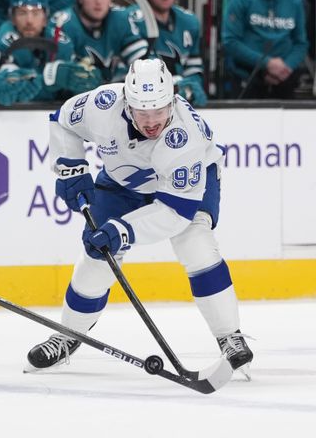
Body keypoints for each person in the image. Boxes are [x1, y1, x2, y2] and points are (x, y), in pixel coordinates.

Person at [25, 58, 253, 380]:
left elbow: (176, 212)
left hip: (190, 183)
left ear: (172, 102)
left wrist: (123, 230)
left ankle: (230, 336)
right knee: (97, 256)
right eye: (141, 111)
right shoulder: (103, 104)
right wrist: (71, 167)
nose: (151, 121)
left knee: (195, 244)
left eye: (159, 111)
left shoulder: (185, 137)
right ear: (126, 103)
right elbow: (63, 121)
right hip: (123, 180)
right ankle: (68, 334)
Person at [0, 0, 101, 101]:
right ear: (13, 18)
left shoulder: (62, 43)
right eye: (22, 13)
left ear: (45, 19)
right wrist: (51, 79)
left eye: (35, 13)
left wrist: (80, 80)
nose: (29, 21)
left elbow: (69, 92)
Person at [223, 0, 308, 99]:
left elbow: (301, 43)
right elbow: (230, 42)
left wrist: (286, 67)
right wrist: (267, 64)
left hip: (285, 79)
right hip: (247, 79)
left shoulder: (294, 1)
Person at [128, 0, 207, 107]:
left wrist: (192, 85)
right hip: (142, 101)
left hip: (180, 100)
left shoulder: (189, 21)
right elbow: (136, 68)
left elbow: (193, 67)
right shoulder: (131, 19)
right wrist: (174, 83)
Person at [50, 0, 148, 84]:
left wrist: (148, 72)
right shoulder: (63, 22)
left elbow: (142, 61)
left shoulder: (120, 18)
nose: (98, 1)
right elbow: (61, 72)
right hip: (76, 97)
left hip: (118, 93)